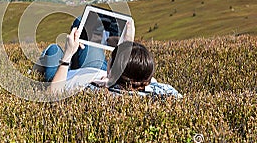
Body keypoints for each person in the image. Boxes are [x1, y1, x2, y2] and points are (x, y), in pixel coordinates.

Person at [33, 17, 182, 98]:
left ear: (111, 70)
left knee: (54, 49)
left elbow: (54, 94)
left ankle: (35, 69)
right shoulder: (163, 92)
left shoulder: (95, 93)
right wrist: (127, 42)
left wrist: (67, 55)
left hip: (63, 76)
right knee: (84, 23)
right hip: (97, 70)